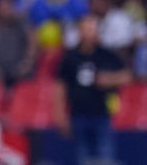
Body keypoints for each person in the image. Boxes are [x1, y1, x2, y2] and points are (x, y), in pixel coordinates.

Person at [54, 14, 130, 165]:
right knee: (81, 159)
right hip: (77, 115)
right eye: (86, 29)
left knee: (105, 158)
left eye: (92, 29)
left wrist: (108, 79)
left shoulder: (106, 55)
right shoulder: (70, 57)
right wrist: (59, 114)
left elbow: (127, 76)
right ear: (79, 32)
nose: (89, 33)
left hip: (102, 114)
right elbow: (59, 87)